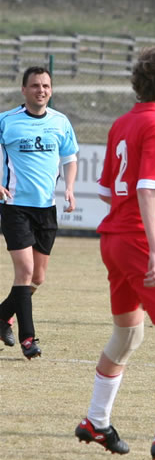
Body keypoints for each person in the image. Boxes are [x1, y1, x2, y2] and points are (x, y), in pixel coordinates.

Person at [75, 47, 155, 460]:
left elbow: (109, 190)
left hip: (112, 239)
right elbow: (147, 189)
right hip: (142, 242)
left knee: (129, 335)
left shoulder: (123, 122)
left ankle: (96, 421)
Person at [0, 67, 78, 359]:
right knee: (25, 271)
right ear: (24, 90)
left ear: (51, 90)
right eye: (35, 85)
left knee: (38, 278)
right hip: (15, 207)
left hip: (47, 208)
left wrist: (69, 188)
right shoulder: (7, 121)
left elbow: (70, 158)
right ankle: (28, 339)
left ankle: (2, 316)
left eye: (45, 85)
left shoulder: (60, 122)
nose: (41, 90)